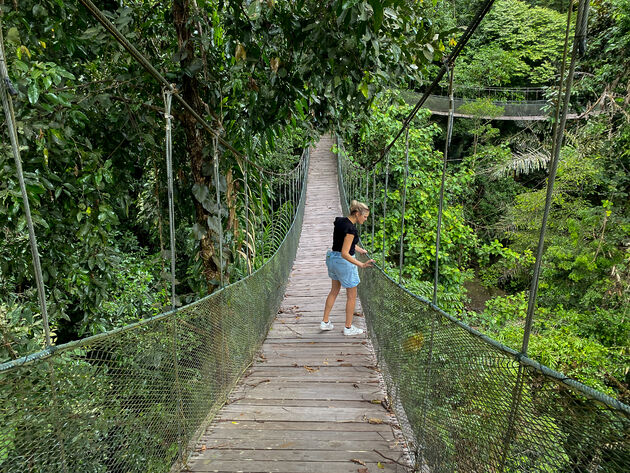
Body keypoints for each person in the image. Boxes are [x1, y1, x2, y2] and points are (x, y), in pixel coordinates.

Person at [320, 200, 375, 336]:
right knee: (351, 296)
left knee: (334, 290)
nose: (365, 219)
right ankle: (348, 328)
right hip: (343, 262)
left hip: (332, 259)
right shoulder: (351, 230)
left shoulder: (340, 221)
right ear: (357, 214)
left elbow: (342, 243)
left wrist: (359, 249)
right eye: (365, 216)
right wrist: (361, 264)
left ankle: (325, 322)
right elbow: (345, 253)